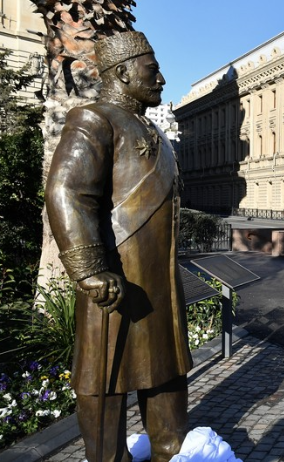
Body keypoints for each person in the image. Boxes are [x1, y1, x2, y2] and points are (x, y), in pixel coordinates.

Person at [45, 31, 192, 462]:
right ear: (124, 71)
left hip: (159, 284)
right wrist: (89, 269)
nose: (161, 78)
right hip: (115, 278)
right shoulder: (94, 119)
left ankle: (172, 451)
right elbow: (67, 192)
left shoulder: (152, 131)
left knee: (166, 374)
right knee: (104, 381)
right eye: (152, 70)